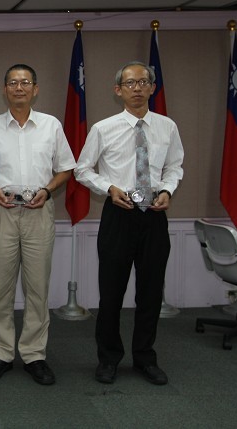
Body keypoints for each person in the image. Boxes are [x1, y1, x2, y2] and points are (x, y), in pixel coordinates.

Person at [75, 61, 184, 386]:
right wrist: (108, 188)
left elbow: (175, 166)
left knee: (151, 293)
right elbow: (82, 169)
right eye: (130, 83)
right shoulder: (103, 128)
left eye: (143, 82)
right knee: (111, 293)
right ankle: (108, 359)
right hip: (118, 216)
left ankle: (145, 358)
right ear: (118, 90)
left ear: (152, 87)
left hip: (154, 217)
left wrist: (167, 190)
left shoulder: (167, 127)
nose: (137, 88)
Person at [0, 64, 75, 386]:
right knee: (2, 288)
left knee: (37, 288)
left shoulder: (51, 125)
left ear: (35, 89)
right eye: (12, 83)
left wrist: (47, 191)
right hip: (3, 213)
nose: (19, 88)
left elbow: (65, 169)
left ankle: (34, 354)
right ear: (4, 89)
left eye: (25, 83)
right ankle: (1, 353)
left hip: (39, 213)